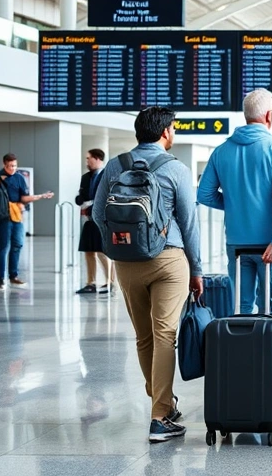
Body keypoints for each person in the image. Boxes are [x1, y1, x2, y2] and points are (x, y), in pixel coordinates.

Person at [92, 106, 203, 442]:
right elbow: (189, 223)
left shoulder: (115, 165)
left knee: (144, 337)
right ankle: (160, 416)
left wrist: (119, 250)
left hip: (126, 263)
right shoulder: (176, 169)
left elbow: (98, 214)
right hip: (168, 260)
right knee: (165, 334)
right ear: (165, 132)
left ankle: (163, 403)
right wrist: (196, 270)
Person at [197, 89, 272, 388]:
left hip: (237, 244)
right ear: (268, 116)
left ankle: (242, 366)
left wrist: (236, 203)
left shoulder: (222, 150)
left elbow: (204, 194)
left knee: (241, 305)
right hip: (271, 245)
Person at [0, 153, 53, 290]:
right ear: (4, 164)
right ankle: (0, 279)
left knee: (18, 244)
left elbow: (24, 197)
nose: (12, 168)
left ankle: (13, 276)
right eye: (10, 166)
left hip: (16, 215)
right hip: (2, 217)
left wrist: (41, 196)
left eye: (14, 165)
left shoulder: (19, 178)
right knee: (3, 246)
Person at [75, 149, 115, 295]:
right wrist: (80, 200)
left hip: (102, 219)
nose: (87, 162)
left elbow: (108, 196)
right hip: (88, 219)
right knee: (89, 251)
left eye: (89, 159)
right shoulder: (86, 177)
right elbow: (83, 195)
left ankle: (109, 282)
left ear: (97, 159)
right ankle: (90, 282)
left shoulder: (107, 176)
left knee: (102, 251)